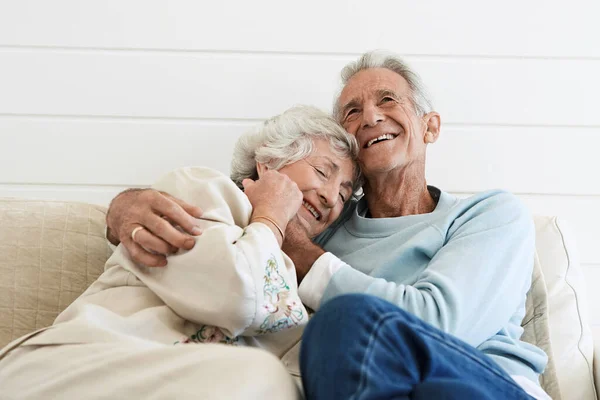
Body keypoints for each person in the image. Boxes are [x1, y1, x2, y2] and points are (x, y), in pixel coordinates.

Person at [102, 50, 552, 400]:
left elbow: (440, 324)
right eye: (352, 112)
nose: (370, 116)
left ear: (429, 126)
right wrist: (124, 207)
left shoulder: (488, 215)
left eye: (388, 100)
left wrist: (303, 256)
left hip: (480, 384)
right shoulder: (321, 226)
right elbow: (235, 224)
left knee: (344, 321)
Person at [0, 105, 360, 399]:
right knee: (264, 378)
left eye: (344, 194)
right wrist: (271, 217)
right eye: (322, 172)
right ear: (269, 164)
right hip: (77, 367)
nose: (331, 197)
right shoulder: (202, 191)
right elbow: (240, 297)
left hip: (184, 385)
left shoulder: (306, 287)